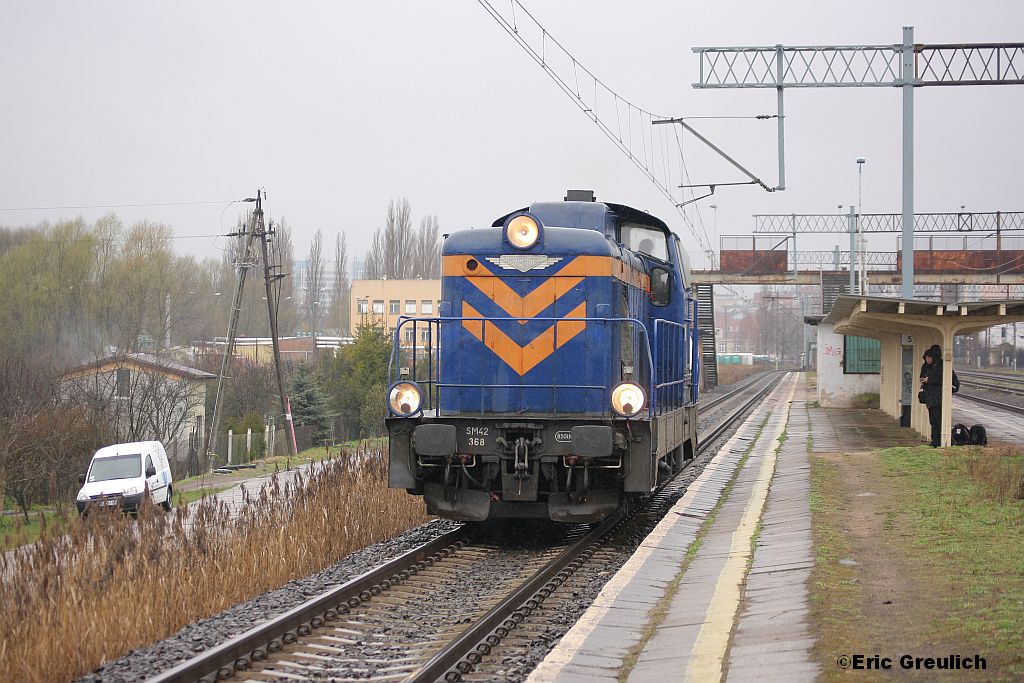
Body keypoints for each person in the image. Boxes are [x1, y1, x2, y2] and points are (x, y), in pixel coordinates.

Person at [919, 344, 960, 447]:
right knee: (933, 421)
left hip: (939, 398)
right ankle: (935, 441)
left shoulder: (942, 366)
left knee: (939, 421)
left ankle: (945, 441)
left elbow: (948, 380)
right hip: (930, 398)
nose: (927, 359)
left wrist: (930, 380)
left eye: (929, 357)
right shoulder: (927, 367)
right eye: (926, 357)